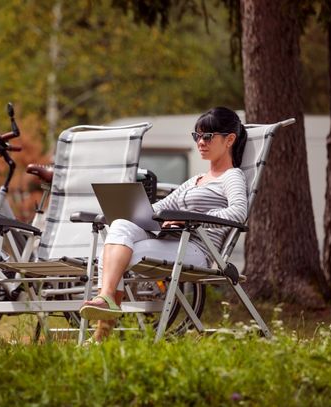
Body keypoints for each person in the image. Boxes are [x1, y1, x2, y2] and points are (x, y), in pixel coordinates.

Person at [79, 106, 249, 341]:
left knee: (114, 254)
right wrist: (134, 211)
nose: (200, 142)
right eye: (197, 136)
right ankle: (106, 299)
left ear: (230, 139)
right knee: (119, 227)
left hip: (198, 250)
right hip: (174, 241)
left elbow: (239, 213)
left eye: (207, 136)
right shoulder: (195, 180)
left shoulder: (232, 176)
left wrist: (190, 219)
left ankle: (101, 334)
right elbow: (157, 209)